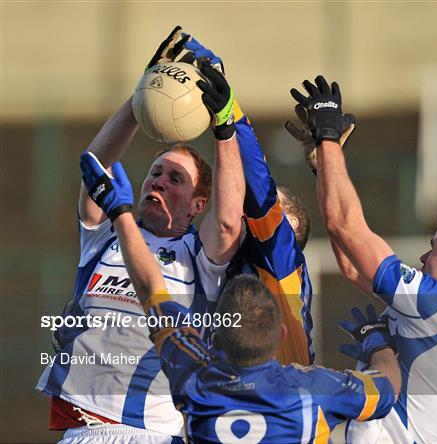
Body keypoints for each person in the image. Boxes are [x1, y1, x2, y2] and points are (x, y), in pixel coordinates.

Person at [78, 151, 402, 443]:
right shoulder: (310, 388)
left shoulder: (197, 379)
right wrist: (379, 345)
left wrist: (121, 214)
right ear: (280, 332)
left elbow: (150, 289)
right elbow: (386, 389)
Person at [36, 26, 244, 443]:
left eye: (175, 179)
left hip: (144, 432)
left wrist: (225, 127)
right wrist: (141, 97)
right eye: (155, 172)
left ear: (197, 204)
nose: (159, 182)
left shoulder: (197, 257)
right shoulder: (107, 235)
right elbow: (94, 164)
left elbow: (228, 224)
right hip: (80, 428)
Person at [288, 75, 437, 443]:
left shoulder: (435, 307)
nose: (424, 257)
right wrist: (324, 166)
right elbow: (351, 264)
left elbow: (345, 226)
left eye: (434, 250)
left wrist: (329, 138)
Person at [183, 36, 315, 365]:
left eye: (276, 204)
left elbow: (258, 189)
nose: (248, 207)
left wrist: (230, 115)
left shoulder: (281, 261)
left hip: (281, 406)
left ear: (291, 224)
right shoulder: (226, 266)